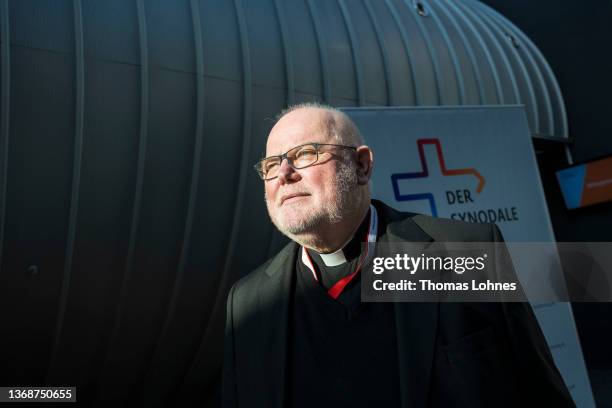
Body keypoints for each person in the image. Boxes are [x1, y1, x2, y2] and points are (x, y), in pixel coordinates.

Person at [222, 103, 575, 407]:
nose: (284, 173)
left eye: (305, 154)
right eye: (271, 164)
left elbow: (538, 391)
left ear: (361, 166)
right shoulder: (248, 302)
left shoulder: (466, 251)